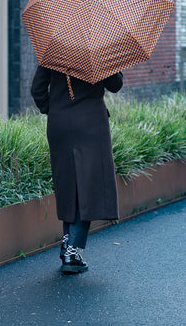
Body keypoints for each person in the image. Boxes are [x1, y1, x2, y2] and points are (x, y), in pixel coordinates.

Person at [31, 66, 123, 274]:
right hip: (91, 125)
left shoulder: (54, 50)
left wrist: (53, 108)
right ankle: (72, 250)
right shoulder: (99, 52)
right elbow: (115, 86)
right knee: (88, 184)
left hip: (59, 123)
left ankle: (68, 241)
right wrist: (111, 65)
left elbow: (37, 90)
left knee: (67, 183)